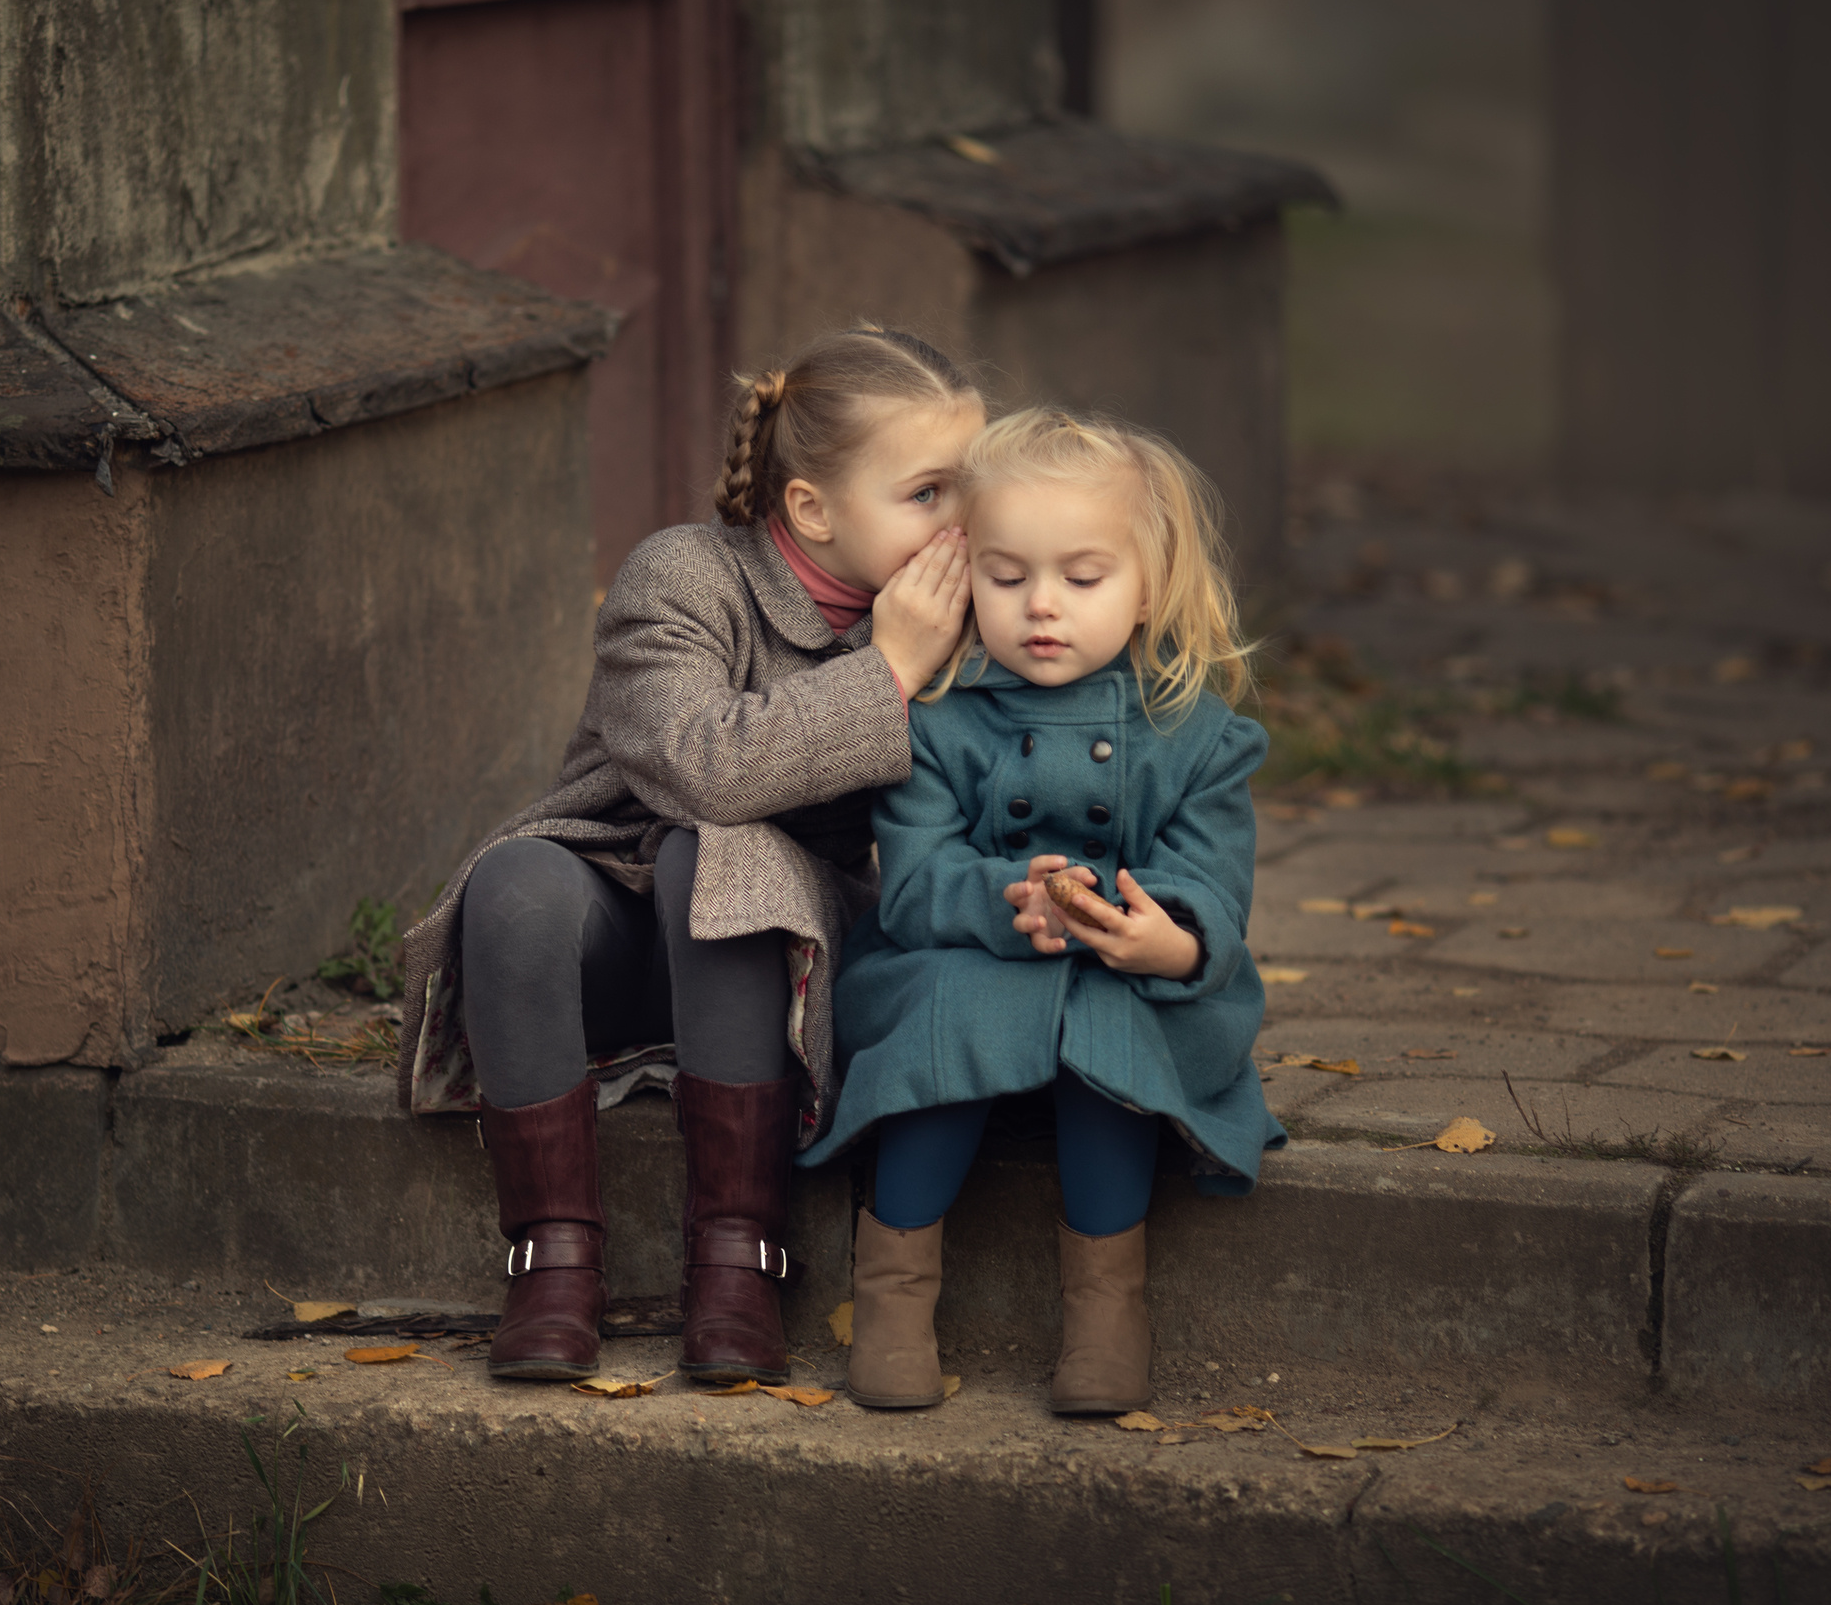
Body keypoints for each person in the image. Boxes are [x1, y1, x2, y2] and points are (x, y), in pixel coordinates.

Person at [395, 328, 984, 1385]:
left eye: (970, 489)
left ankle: (736, 1263)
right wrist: (887, 668)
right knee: (518, 878)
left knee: (714, 867)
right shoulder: (683, 575)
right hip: (618, 934)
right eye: (928, 494)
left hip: (791, 972)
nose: (962, 524)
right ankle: (550, 1262)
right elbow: (700, 767)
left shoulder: (976, 617)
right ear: (810, 508)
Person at [798, 408, 1285, 1416]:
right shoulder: (938, 717)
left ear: (1147, 584)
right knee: (948, 1010)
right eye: (1007, 577)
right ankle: (892, 1303)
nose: (1040, 607)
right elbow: (919, 874)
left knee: (1113, 1030)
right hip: (967, 959)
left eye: (1082, 577)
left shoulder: (1192, 732)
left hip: (1125, 980)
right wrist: (998, 897)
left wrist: (1168, 935)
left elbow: (1211, 879)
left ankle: (1106, 1316)